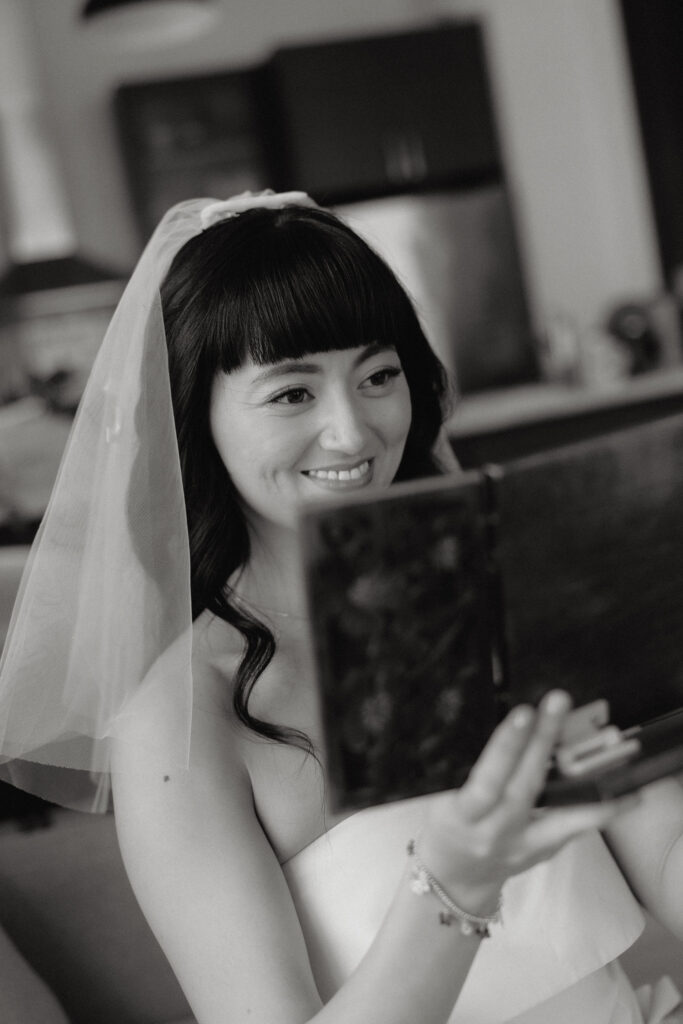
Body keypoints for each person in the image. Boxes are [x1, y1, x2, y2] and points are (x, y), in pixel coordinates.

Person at [0, 191, 682, 1024]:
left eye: (378, 375)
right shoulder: (180, 722)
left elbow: (663, 851)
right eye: (292, 393)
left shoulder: (502, 605)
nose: (353, 432)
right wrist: (454, 885)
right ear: (195, 418)